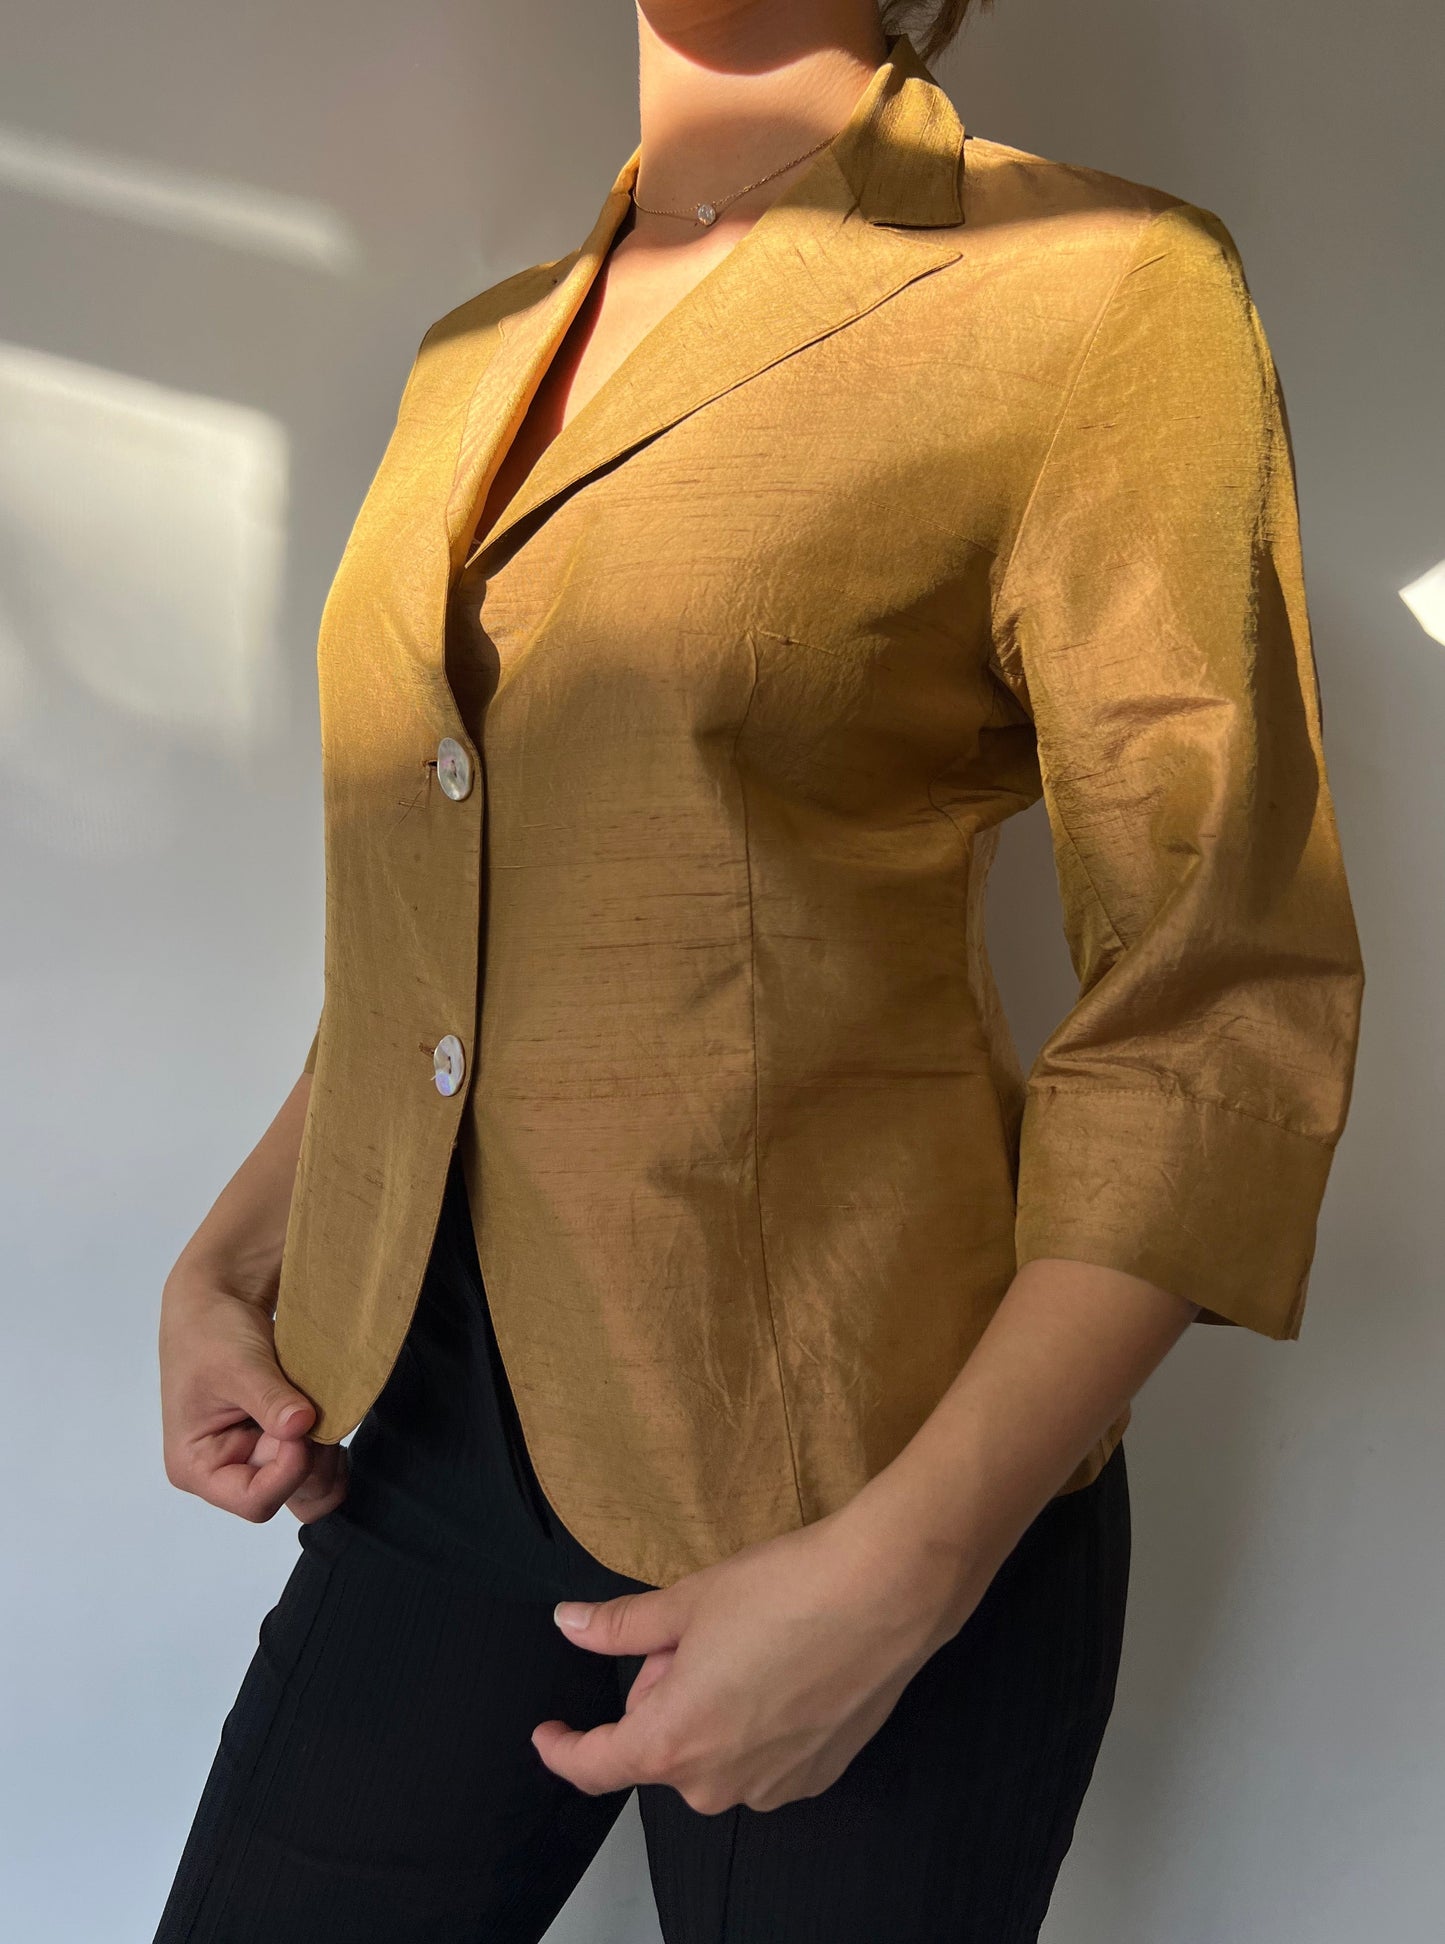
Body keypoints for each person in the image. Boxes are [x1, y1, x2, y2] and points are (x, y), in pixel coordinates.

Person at [152, 3, 1364, 1939]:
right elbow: (440, 932)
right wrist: (232, 1260)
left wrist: (904, 1577)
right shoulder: (473, 355)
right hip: (427, 1437)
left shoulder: (1094, 281)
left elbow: (1216, 986)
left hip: (864, 1474)